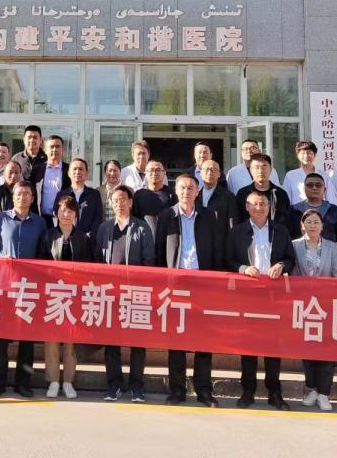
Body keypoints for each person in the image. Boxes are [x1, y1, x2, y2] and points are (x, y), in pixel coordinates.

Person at [157, 174, 223, 407]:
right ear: (176, 191)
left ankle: (203, 390)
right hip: (176, 283)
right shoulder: (167, 216)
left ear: (197, 192)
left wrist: (216, 281)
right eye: (182, 188)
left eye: (191, 188)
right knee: (176, 340)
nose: (186, 192)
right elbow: (159, 252)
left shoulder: (209, 216)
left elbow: (217, 249)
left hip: (202, 283)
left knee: (204, 339)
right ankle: (177, 390)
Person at [227, 189, 295, 410]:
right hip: (248, 295)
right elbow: (228, 260)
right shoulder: (237, 232)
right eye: (254, 204)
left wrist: (282, 265)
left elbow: (290, 259)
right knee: (249, 345)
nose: (259, 208)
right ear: (247, 207)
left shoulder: (280, 231)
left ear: (269, 207)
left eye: (263, 204)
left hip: (273, 295)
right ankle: (248, 391)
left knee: (273, 346)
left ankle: (274, 392)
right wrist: (243, 268)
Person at [0, 181, 49, 398]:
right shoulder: (1, 219)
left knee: (27, 339)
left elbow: (43, 253)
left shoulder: (40, 223)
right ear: (13, 197)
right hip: (4, 286)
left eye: (26, 194)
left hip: (29, 288)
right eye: (19, 193)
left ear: (32, 198)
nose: (22, 197)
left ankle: (23, 383)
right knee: (1, 337)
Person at [96, 184, 154, 403]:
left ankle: (137, 386)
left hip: (136, 293)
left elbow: (149, 261)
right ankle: (114, 385)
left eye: (123, 199)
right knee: (111, 342)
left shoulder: (142, 228)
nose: (119, 203)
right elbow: (97, 260)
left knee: (138, 342)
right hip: (111, 293)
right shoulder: (104, 228)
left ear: (130, 202)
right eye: (115, 200)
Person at [291, 208, 337, 411]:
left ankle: (324, 393)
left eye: (316, 222)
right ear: (302, 225)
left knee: (328, 349)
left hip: (326, 305)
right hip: (304, 305)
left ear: (322, 226)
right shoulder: (294, 245)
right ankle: (312, 388)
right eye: (308, 222)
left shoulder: (332, 246)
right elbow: (293, 273)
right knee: (308, 348)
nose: (312, 225)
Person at [44, 195, 92, 399]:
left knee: (71, 339)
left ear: (76, 215)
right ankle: (54, 381)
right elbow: (39, 265)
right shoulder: (47, 236)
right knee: (52, 339)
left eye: (70, 211)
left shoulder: (83, 238)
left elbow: (89, 268)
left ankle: (68, 382)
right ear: (56, 213)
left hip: (75, 296)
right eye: (62, 210)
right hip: (52, 295)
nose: (66, 214)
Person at [234, 153, 291, 231]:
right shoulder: (243, 194)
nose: (260, 171)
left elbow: (287, 221)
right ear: (250, 170)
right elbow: (238, 220)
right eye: (256, 167)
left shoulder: (280, 194)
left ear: (271, 169)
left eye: (264, 167)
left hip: (275, 235)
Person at [289, 173, 337, 242]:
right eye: (310, 185)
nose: (314, 188)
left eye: (318, 185)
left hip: (329, 248)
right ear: (304, 189)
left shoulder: (334, 210)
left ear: (324, 189)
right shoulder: (294, 211)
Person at [32, 135, 69, 226]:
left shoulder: (69, 169)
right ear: (45, 150)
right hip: (41, 218)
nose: (55, 149)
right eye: (51, 147)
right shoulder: (37, 169)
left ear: (62, 149)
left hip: (63, 218)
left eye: (58, 146)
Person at [132, 160, 175, 238]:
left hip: (168, 238)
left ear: (164, 173)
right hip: (145, 239)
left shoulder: (173, 193)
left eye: (158, 170)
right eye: (151, 170)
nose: (154, 173)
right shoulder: (138, 195)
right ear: (145, 173)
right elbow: (134, 220)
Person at [65, 157, 103, 237]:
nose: (77, 172)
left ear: (86, 173)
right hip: (66, 240)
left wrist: (87, 237)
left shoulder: (94, 195)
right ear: (68, 173)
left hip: (88, 241)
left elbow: (98, 218)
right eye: (74, 169)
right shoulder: (62, 195)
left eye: (81, 169)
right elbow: (57, 218)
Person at [198, 159, 234, 238]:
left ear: (219, 174)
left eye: (214, 170)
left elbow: (232, 225)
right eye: (206, 169)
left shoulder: (228, 197)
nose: (209, 173)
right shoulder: (195, 196)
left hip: (220, 242)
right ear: (200, 173)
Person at [0, 160, 25, 228]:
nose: (13, 176)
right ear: (4, 174)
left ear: (20, 174)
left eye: (16, 172)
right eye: (10, 172)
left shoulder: (25, 194)